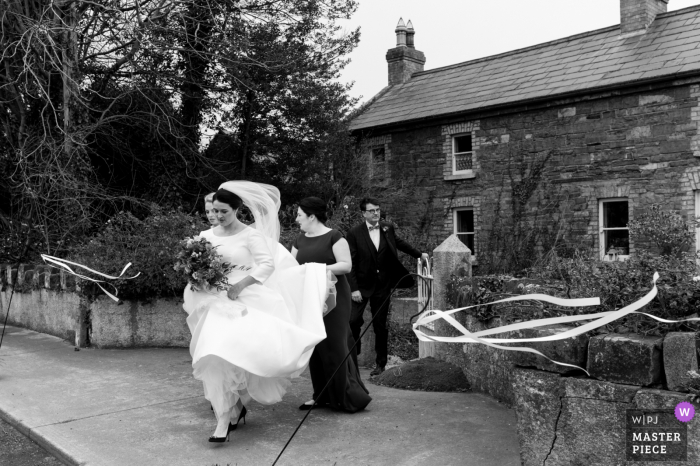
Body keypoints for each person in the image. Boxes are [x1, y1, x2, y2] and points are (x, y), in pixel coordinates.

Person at [182, 182, 331, 443]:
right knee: (214, 355)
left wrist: (241, 285)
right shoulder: (205, 236)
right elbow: (194, 265)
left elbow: (266, 265)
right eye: (214, 211)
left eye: (223, 211)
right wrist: (200, 280)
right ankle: (223, 417)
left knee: (239, 357)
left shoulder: (250, 235)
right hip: (212, 302)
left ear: (237, 209)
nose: (217, 216)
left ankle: (233, 410)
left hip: (245, 298)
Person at [291, 197, 371, 413]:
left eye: (299, 214)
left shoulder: (335, 237)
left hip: (335, 298)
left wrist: (317, 269)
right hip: (309, 297)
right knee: (315, 346)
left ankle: (346, 395)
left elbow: (346, 265)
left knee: (335, 344)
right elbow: (292, 268)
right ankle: (321, 395)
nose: (297, 219)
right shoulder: (299, 240)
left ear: (311, 216)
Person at [346, 198, 429, 376]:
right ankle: (355, 350)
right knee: (353, 320)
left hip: (383, 285)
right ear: (363, 214)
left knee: (380, 325)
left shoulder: (387, 228)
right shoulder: (354, 233)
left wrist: (419, 254)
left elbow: (399, 243)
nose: (376, 213)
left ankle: (380, 364)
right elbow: (350, 262)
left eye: (378, 210)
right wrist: (354, 289)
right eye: (372, 211)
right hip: (361, 285)